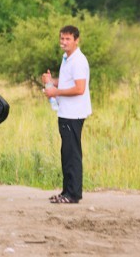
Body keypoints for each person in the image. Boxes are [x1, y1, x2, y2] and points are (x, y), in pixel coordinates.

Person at [42, 25, 91, 204]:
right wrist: (51, 81)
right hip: (66, 112)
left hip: (74, 113)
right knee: (67, 152)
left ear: (76, 40)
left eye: (68, 39)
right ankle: (66, 191)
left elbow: (80, 88)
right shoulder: (67, 58)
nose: (64, 42)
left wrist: (56, 92)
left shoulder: (78, 60)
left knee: (72, 154)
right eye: (62, 38)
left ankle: (73, 194)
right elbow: (66, 81)